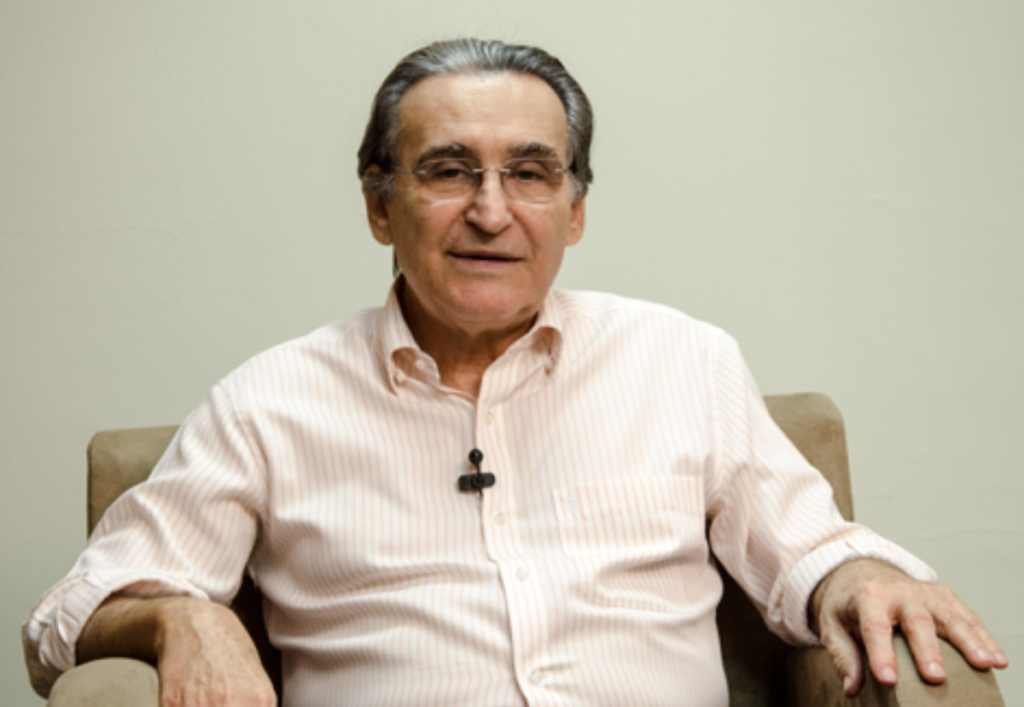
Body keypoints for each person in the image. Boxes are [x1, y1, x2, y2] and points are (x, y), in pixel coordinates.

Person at [24, 38, 1007, 707]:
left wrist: (858, 573)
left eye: (530, 173)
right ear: (379, 205)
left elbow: (809, 550)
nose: (491, 211)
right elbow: (62, 620)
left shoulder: (682, 359)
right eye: (449, 170)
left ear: (574, 212)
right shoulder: (267, 402)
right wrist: (176, 614)